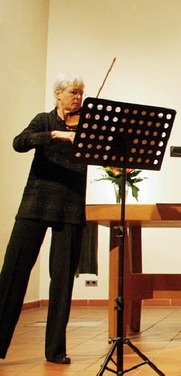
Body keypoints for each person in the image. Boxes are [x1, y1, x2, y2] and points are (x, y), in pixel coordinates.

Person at [0, 73, 87, 364]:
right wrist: (54, 135)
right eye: (73, 92)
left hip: (71, 205)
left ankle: (55, 351)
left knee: (62, 281)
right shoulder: (44, 120)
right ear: (58, 93)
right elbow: (19, 142)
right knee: (13, 272)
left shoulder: (87, 125)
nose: (78, 97)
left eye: (81, 93)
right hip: (36, 202)